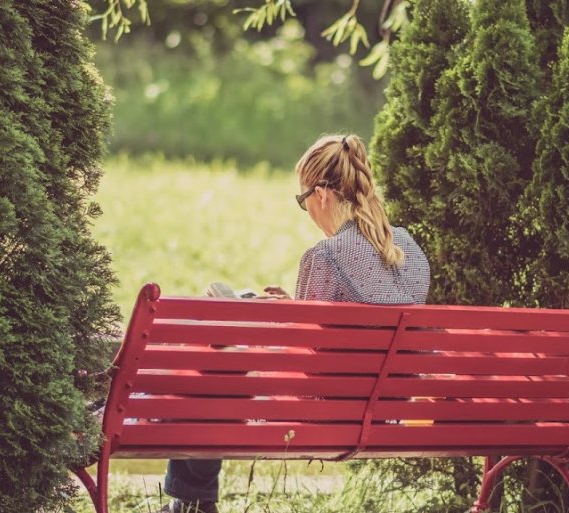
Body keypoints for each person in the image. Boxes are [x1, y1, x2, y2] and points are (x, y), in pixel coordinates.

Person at [157, 134, 430, 513]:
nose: (308, 211)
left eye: (303, 202)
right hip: (385, 411)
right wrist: (296, 308)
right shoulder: (409, 250)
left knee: (214, 374)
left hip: (324, 416)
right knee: (219, 362)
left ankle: (190, 505)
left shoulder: (326, 256)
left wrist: (253, 332)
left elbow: (301, 363)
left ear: (321, 194)